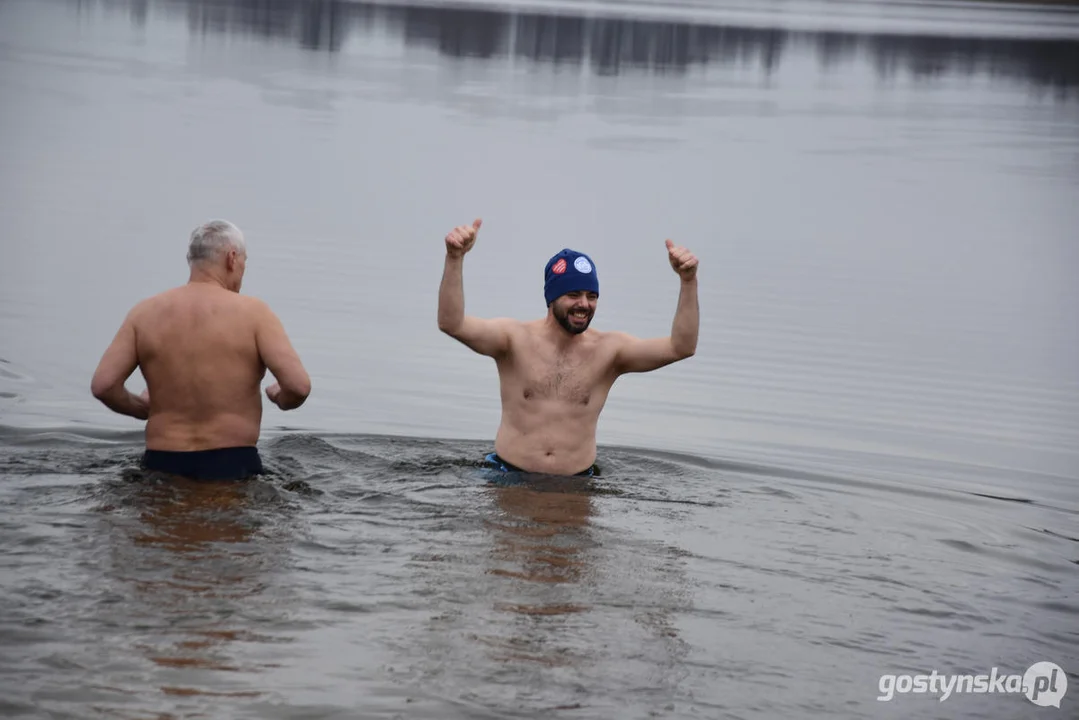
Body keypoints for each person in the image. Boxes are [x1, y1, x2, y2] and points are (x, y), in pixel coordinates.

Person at [437, 217, 699, 477]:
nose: (584, 304)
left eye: (591, 296)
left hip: (576, 487)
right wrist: (454, 258)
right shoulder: (513, 340)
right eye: (573, 295)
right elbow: (452, 323)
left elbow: (681, 347)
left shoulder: (610, 352)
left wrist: (688, 281)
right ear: (551, 298)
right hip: (509, 478)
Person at [90, 220, 312, 481]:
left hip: (160, 463)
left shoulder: (144, 313)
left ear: (191, 260)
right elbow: (298, 387)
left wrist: (143, 408)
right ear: (232, 258)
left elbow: (104, 386)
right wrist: (280, 397)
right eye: (244, 262)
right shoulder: (254, 314)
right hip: (232, 464)